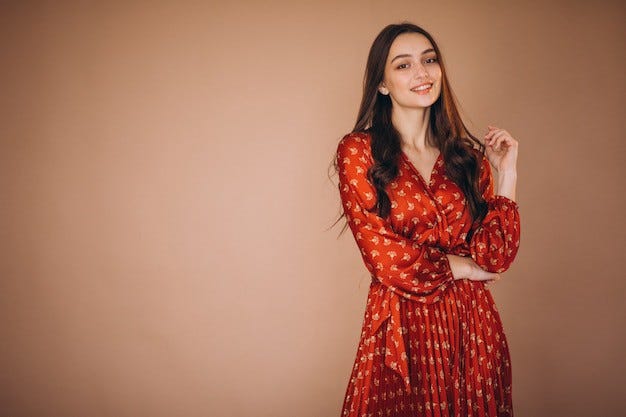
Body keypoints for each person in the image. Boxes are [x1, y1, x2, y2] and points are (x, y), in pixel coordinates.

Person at [333, 22, 521, 417]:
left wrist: (506, 175)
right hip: (402, 326)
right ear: (382, 84)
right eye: (403, 65)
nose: (422, 73)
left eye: (429, 60)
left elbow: (495, 257)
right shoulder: (359, 152)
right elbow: (383, 257)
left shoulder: (467, 158)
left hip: (472, 329)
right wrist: (461, 267)